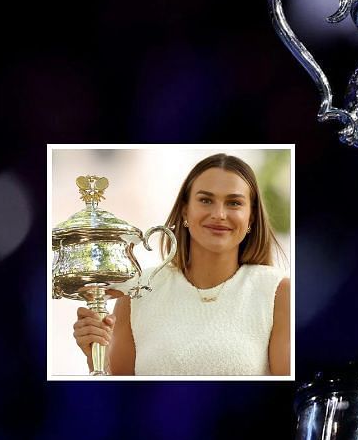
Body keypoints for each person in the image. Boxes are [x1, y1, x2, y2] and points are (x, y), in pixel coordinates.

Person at [71, 153, 291, 376]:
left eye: (234, 203)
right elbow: (124, 398)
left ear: (251, 217)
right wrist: (96, 358)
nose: (219, 214)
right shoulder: (136, 293)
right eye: (205, 200)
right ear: (185, 210)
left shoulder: (277, 292)